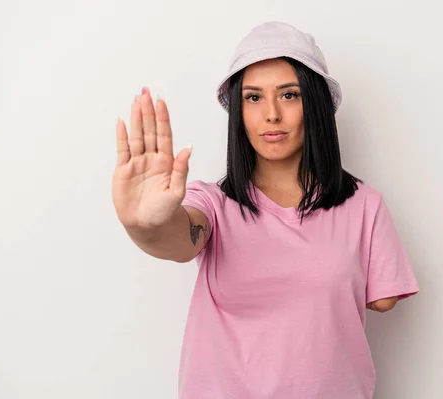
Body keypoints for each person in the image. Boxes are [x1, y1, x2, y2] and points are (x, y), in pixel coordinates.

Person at [113, 21, 419, 399]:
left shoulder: (364, 205)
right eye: (253, 97)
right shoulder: (213, 204)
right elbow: (178, 238)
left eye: (289, 95)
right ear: (238, 111)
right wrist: (145, 224)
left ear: (316, 104)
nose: (271, 114)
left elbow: (384, 299)